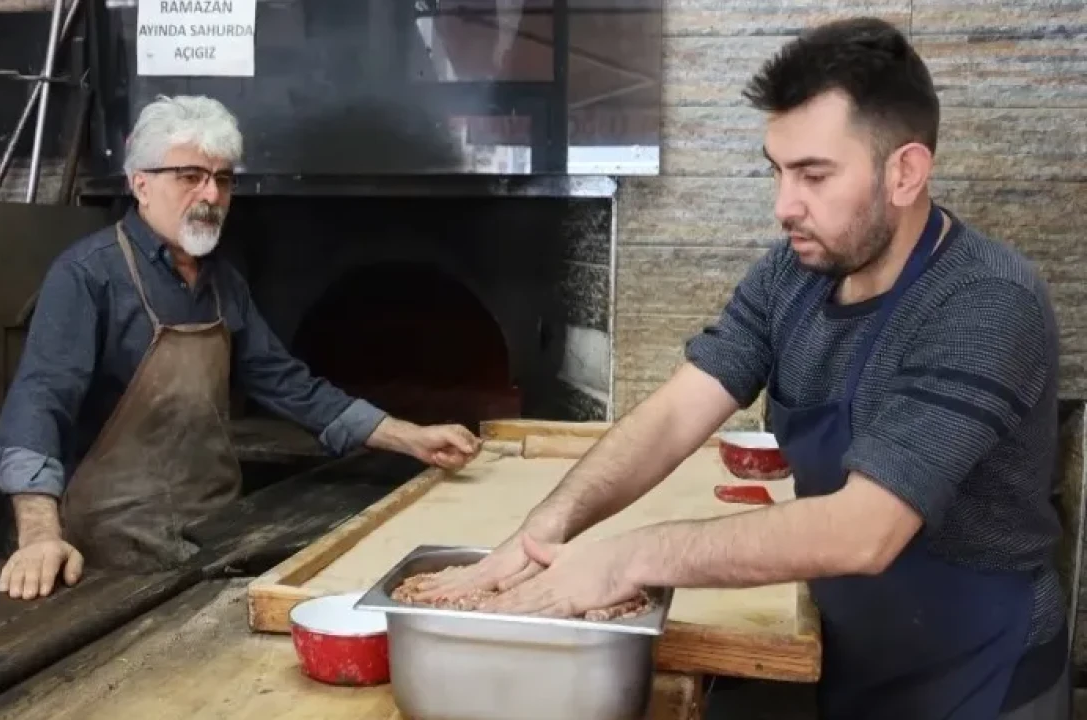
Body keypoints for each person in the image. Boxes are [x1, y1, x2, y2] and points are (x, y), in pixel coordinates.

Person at [414, 17, 1068, 720]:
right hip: (854, 651)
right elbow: (675, 415)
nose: (784, 206)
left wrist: (625, 559)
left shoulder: (986, 302)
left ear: (904, 172)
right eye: (776, 171)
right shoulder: (795, 272)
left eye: (814, 175)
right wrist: (544, 530)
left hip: (979, 677)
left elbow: (864, 531)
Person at [0, 95, 481, 601]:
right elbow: (39, 402)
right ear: (140, 184)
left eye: (222, 179)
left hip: (211, 534)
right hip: (108, 552)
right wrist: (39, 536)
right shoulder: (87, 275)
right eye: (190, 176)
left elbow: (286, 383)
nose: (211, 194)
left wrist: (408, 436)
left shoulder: (223, 282)